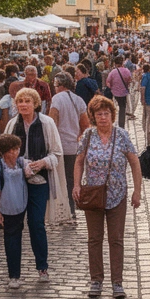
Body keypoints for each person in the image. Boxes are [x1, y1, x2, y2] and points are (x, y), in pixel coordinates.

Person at [73, 95, 142, 299]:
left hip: (117, 193)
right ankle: (96, 280)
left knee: (116, 239)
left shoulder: (121, 135)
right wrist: (76, 184)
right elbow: (78, 161)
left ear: (112, 114)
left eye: (106, 113)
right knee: (94, 238)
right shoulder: (88, 136)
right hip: (93, 194)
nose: (103, 117)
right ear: (93, 116)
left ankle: (117, 282)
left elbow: (135, 163)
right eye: (99, 114)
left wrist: (137, 191)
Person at [2, 88, 71, 280]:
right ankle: (14, 274)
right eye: (20, 101)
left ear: (35, 103)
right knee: (13, 226)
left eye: (27, 101)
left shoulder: (46, 123)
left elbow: (56, 153)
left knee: (36, 223)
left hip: (39, 181)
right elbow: (3, 152)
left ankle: (42, 266)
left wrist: (42, 162)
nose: (23, 104)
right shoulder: (12, 124)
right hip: (15, 182)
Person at [0, 134, 31, 289]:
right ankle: (13, 274)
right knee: (11, 241)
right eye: (11, 150)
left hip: (21, 205)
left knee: (17, 238)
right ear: (4, 152)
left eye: (17, 149)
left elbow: (30, 170)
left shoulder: (21, 163)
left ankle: (16, 273)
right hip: (6, 206)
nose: (15, 153)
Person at [49, 73, 89, 218]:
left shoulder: (57, 99)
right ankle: (71, 207)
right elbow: (85, 125)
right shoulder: (78, 100)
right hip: (74, 145)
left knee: (60, 178)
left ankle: (62, 208)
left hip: (59, 145)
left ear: (60, 85)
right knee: (72, 179)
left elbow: (52, 122)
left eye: (54, 85)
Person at [106, 57, 133, 129]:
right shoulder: (126, 71)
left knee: (115, 107)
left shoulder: (112, 72)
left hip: (115, 93)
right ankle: (121, 125)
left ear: (115, 63)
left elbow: (108, 82)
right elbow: (129, 80)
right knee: (122, 108)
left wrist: (112, 87)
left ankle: (113, 122)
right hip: (123, 92)